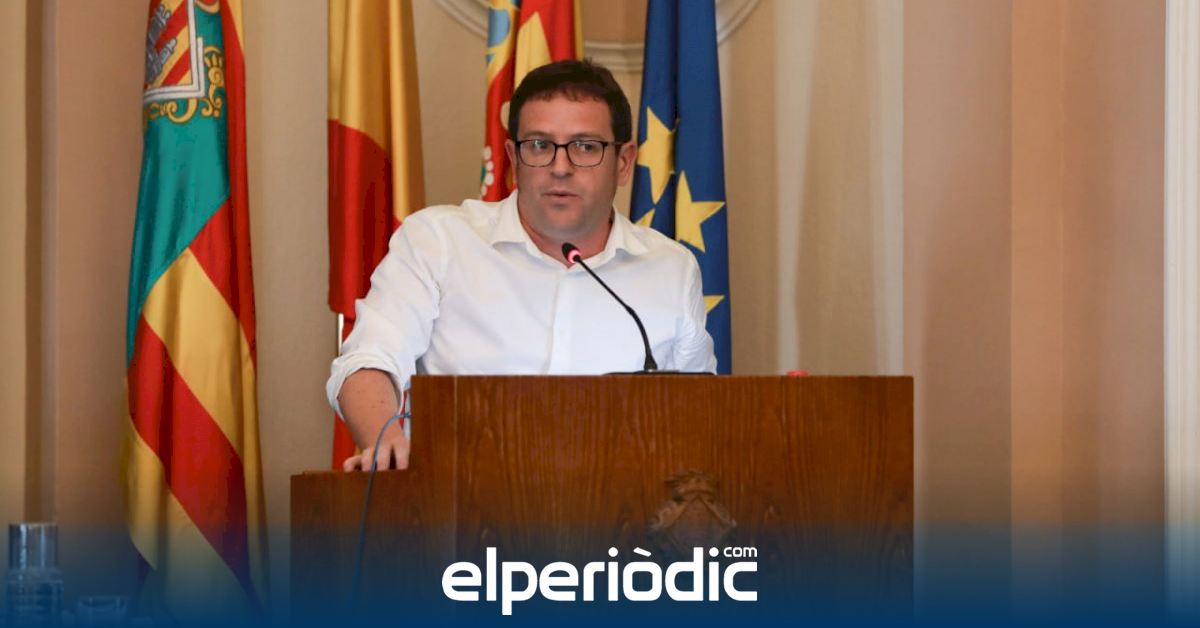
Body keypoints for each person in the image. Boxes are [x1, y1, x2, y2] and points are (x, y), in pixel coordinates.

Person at [327, 60, 716, 471]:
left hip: (619, 505)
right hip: (459, 500)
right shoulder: (439, 241)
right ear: (514, 156)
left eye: (586, 147)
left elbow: (700, 415)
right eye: (540, 145)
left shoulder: (671, 269)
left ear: (623, 162)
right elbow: (367, 361)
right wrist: (385, 440)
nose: (560, 167)